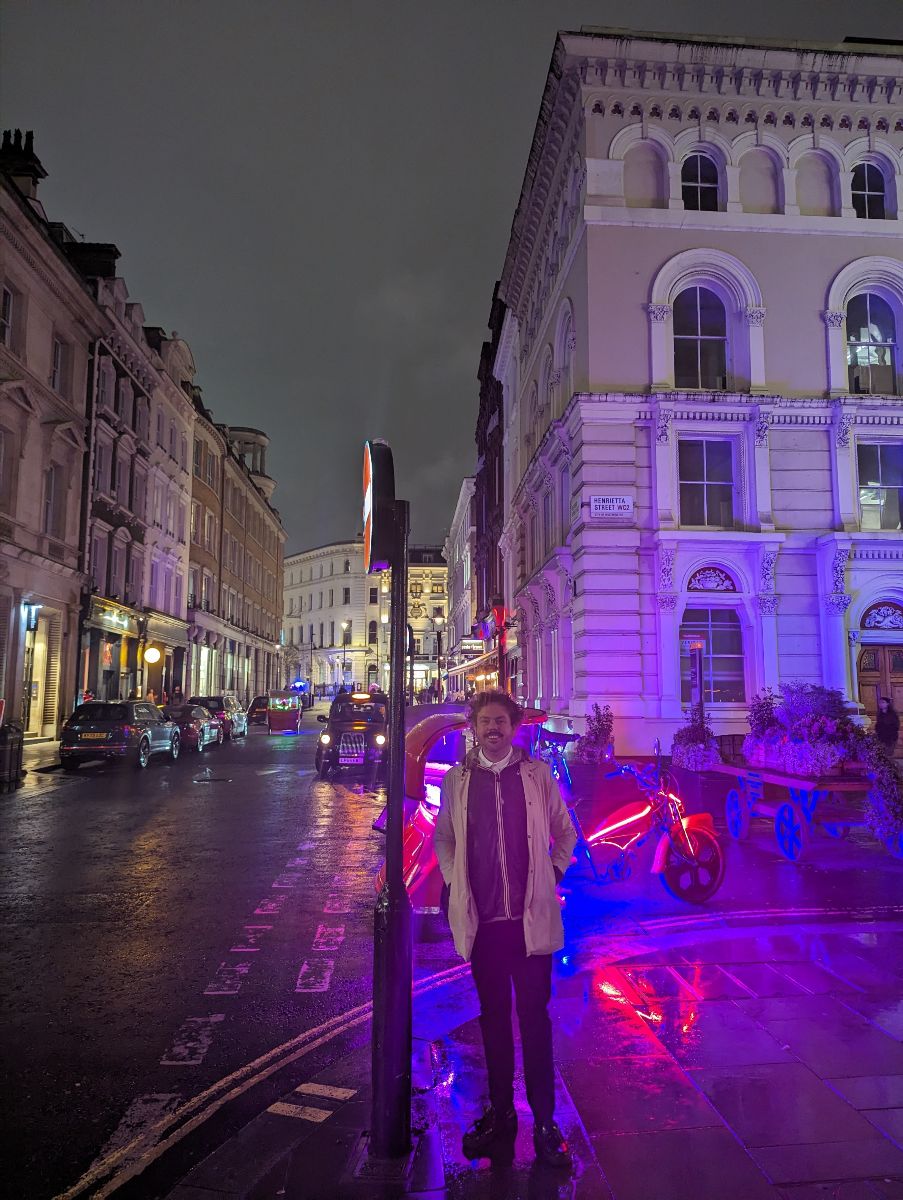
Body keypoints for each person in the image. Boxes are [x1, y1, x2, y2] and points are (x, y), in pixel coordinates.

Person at [434, 689, 576, 1169]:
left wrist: (553, 874)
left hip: (529, 927)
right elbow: (445, 838)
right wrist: (456, 884)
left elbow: (565, 830)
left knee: (536, 1022)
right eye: (485, 721)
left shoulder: (536, 776)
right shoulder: (457, 781)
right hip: (487, 928)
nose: (493, 728)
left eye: (501, 721)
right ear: (473, 726)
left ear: (514, 727)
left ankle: (543, 1121)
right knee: (494, 1022)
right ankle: (501, 1116)